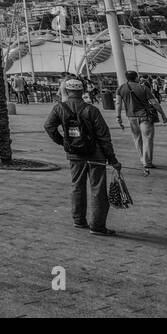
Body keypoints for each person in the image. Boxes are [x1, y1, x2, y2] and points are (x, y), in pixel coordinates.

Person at [44, 77, 121, 236]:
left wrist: (63, 142)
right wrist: (112, 159)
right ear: (81, 91)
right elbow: (104, 137)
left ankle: (79, 220)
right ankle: (97, 226)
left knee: (77, 186)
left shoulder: (59, 108)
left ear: (66, 91)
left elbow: (48, 126)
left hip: (74, 154)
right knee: (98, 189)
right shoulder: (91, 110)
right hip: (95, 155)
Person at [116, 69, 167, 173]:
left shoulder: (120, 88)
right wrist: (162, 114)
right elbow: (154, 103)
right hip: (145, 116)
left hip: (131, 117)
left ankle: (142, 159)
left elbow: (118, 104)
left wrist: (118, 117)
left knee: (137, 138)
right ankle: (147, 162)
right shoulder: (143, 87)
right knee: (147, 139)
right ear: (136, 77)